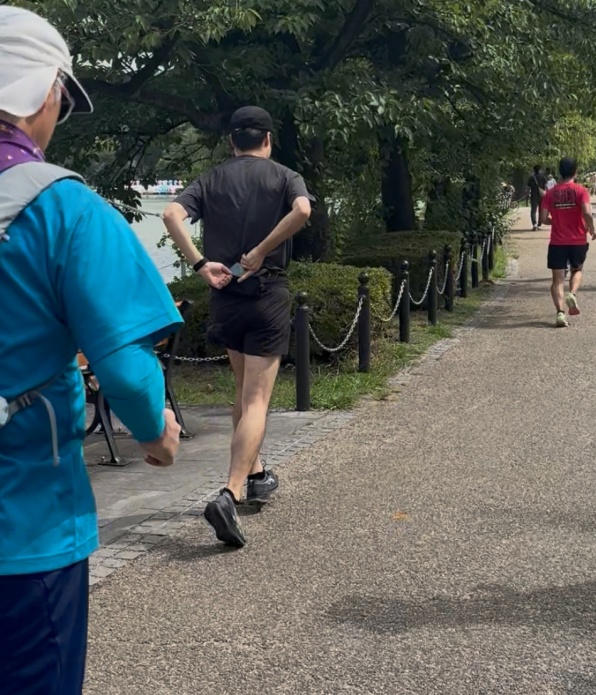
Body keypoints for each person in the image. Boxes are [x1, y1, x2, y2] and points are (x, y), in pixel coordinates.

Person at [0, 7, 183, 693]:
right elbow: (127, 373)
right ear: (46, 93)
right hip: (24, 527)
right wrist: (156, 432)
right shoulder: (65, 210)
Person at [164, 106, 312, 548]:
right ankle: (230, 493)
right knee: (256, 400)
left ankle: (258, 474)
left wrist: (199, 265)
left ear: (231, 141)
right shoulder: (285, 176)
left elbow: (170, 214)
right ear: (268, 139)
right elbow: (303, 210)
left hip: (225, 293)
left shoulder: (211, 180)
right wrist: (263, 250)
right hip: (266, 292)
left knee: (245, 392)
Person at [541, 157, 596, 328]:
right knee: (577, 270)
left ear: (560, 171)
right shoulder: (581, 191)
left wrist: (555, 221)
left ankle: (560, 313)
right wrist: (591, 228)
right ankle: (572, 293)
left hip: (557, 241)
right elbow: (587, 213)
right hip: (578, 239)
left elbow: (543, 218)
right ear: (575, 171)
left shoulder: (550, 193)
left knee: (557, 280)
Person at [527, 164, 546, 230]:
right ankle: (539, 224)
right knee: (541, 210)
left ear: (534, 170)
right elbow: (545, 186)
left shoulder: (532, 177)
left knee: (533, 210)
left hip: (534, 195)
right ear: (540, 170)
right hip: (541, 195)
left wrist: (527, 194)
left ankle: (534, 224)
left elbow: (528, 187)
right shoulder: (543, 177)